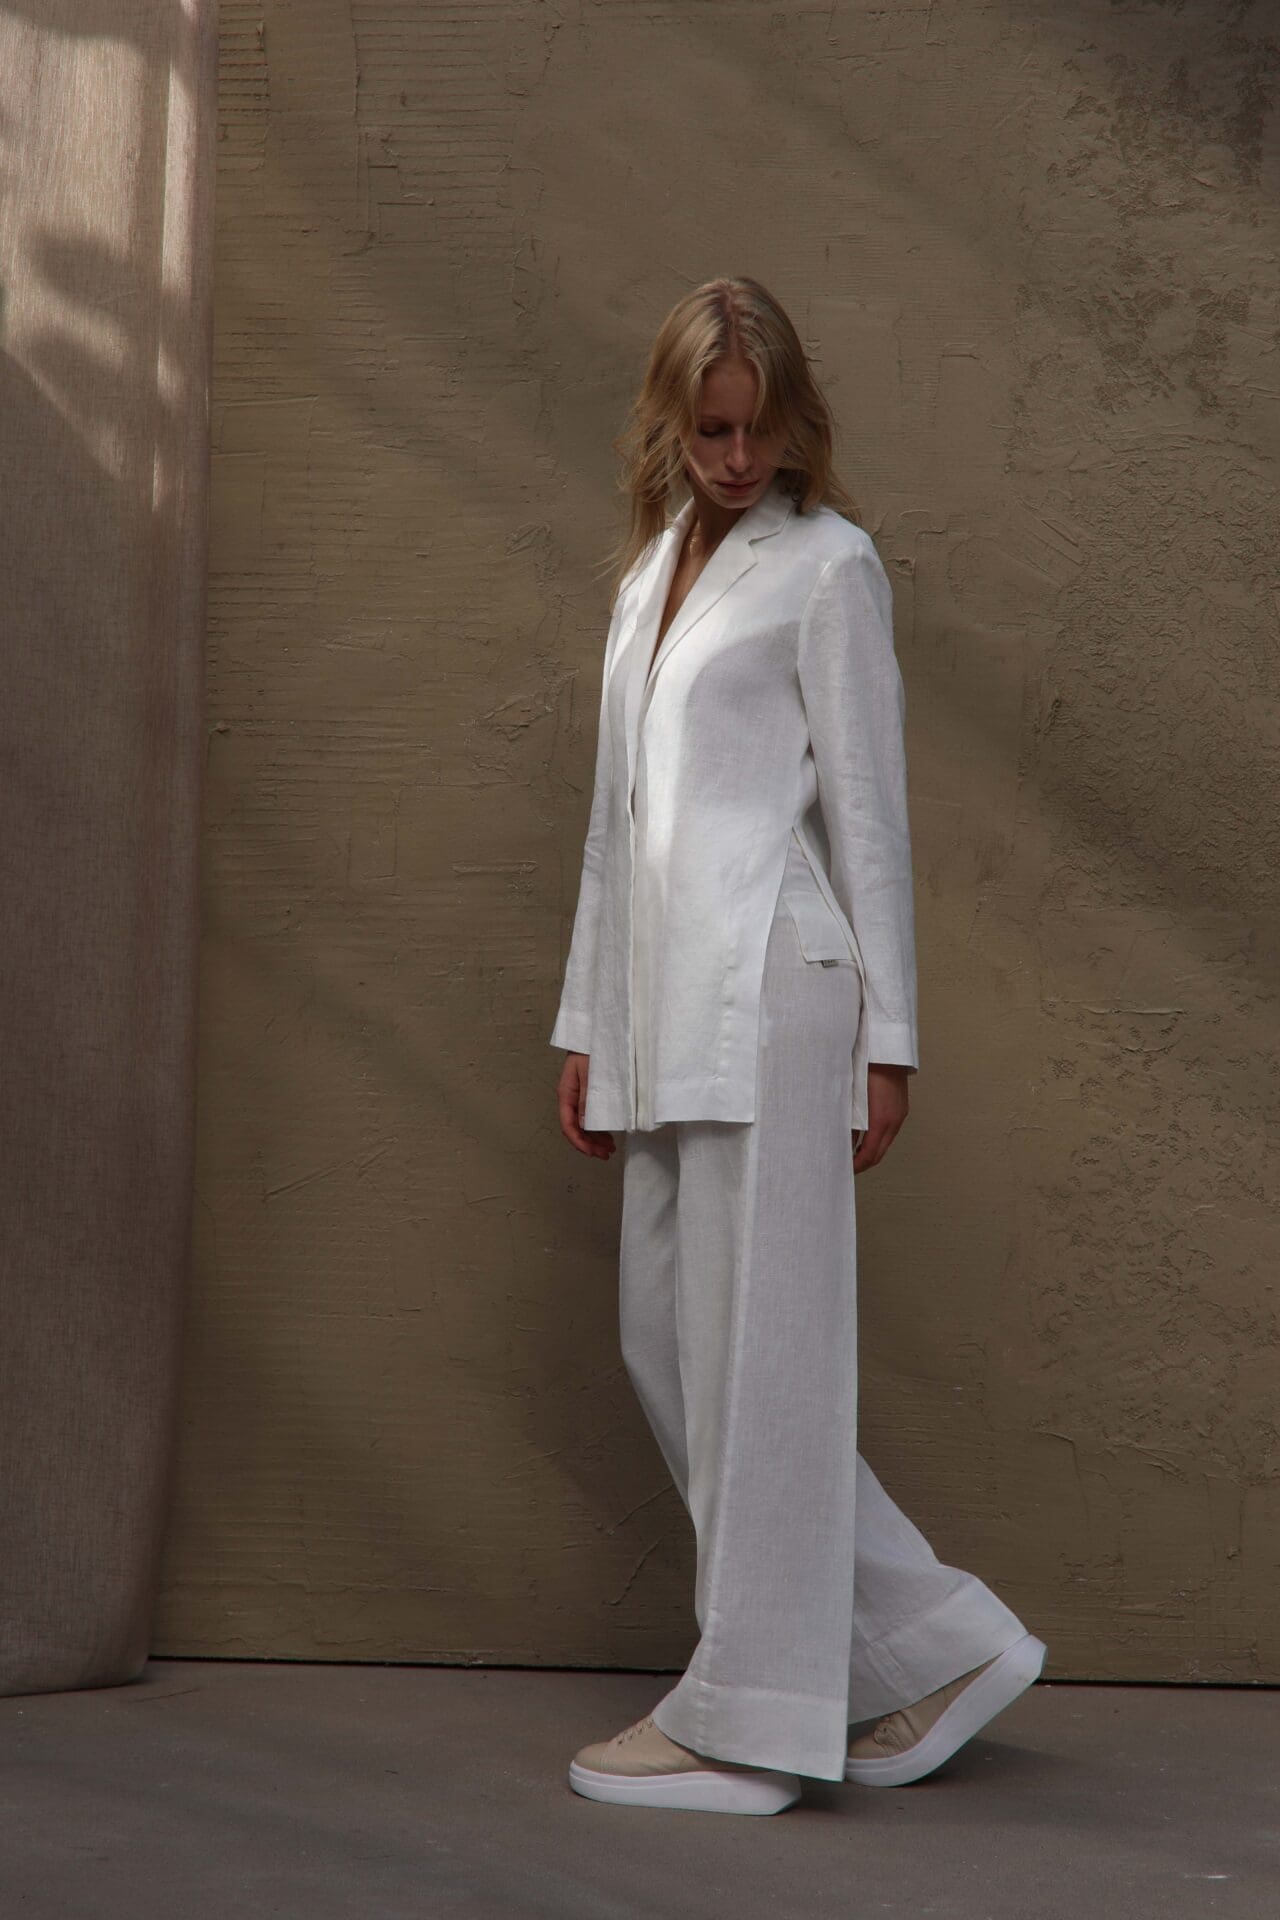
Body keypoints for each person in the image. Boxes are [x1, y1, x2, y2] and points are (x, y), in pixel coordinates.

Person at [549, 275, 1046, 1816]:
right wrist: (586, 1024)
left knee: (756, 1367)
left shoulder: (829, 568)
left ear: (792, 422)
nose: (736, 458)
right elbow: (615, 825)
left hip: (777, 988)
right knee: (670, 1346)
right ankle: (931, 1650)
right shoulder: (653, 577)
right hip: (663, 1007)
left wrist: (890, 1042)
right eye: (710, 430)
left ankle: (749, 1724)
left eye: (757, 430)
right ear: (671, 420)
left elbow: (872, 819)